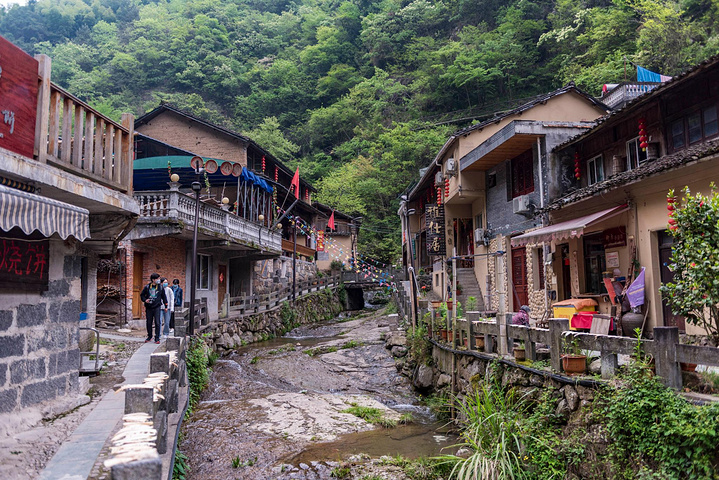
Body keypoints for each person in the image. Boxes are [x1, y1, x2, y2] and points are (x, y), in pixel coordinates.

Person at [140, 273, 167, 344]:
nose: (159, 280)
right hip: (149, 307)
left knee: (158, 322)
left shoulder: (160, 287)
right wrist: (145, 300)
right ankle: (149, 336)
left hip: (157, 307)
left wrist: (166, 306)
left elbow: (164, 297)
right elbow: (142, 295)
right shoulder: (147, 287)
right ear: (153, 280)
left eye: (159, 278)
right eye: (157, 279)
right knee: (149, 322)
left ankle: (157, 337)